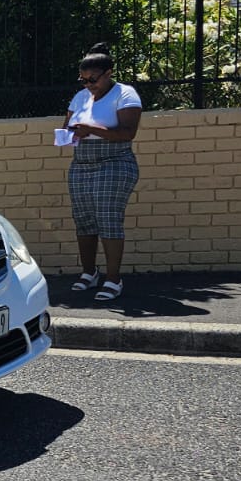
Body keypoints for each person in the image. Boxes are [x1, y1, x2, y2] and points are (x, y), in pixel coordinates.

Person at [63, 42, 143, 302]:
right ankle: (89, 273)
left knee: (108, 218)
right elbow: (68, 126)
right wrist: (69, 133)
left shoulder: (125, 94)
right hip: (82, 163)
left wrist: (91, 129)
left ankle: (113, 279)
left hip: (114, 161)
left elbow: (127, 133)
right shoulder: (81, 97)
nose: (88, 85)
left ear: (109, 73)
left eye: (93, 79)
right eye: (83, 80)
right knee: (84, 220)